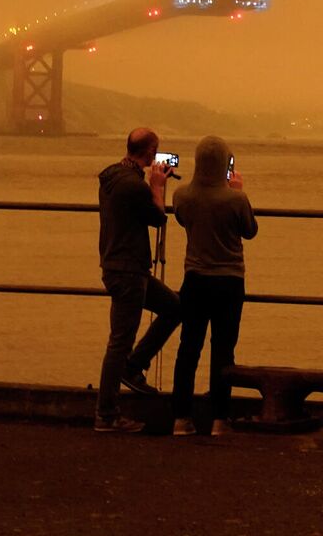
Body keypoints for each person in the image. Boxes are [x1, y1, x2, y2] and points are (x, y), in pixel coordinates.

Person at [94, 127, 183, 433]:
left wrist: (151, 185)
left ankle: (134, 366)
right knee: (119, 341)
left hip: (118, 265)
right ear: (149, 152)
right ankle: (106, 414)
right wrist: (157, 187)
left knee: (174, 307)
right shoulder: (134, 186)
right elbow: (157, 218)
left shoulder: (111, 177)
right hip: (128, 270)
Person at [170, 135, 258, 436]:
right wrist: (238, 191)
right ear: (224, 165)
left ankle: (181, 418)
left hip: (194, 279)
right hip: (229, 281)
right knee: (223, 349)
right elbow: (250, 230)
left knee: (188, 348)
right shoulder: (236, 199)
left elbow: (183, 221)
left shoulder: (182, 196)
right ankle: (221, 419)